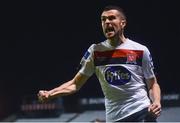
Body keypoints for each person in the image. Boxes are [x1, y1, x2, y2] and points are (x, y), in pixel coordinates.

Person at [38, 5, 161, 122]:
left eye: (112, 18)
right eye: (103, 20)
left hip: (141, 111)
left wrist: (156, 101)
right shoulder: (95, 51)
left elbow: (152, 84)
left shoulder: (140, 50)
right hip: (114, 117)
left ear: (123, 23)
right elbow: (75, 84)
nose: (107, 22)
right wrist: (51, 93)